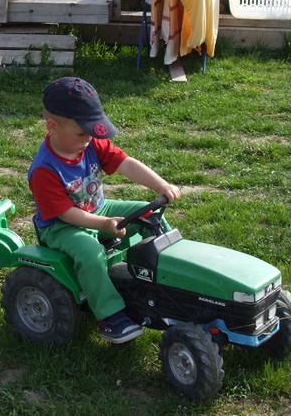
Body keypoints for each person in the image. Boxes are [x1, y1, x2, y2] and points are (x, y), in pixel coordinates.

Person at [28, 77, 181, 344]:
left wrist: (161, 185)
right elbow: (65, 214)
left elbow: (125, 163)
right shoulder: (44, 170)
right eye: (82, 133)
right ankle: (110, 315)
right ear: (52, 127)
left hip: (99, 208)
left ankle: (173, 273)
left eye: (92, 132)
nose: (89, 139)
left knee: (149, 215)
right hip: (62, 227)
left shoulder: (91, 144)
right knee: (90, 252)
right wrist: (103, 224)